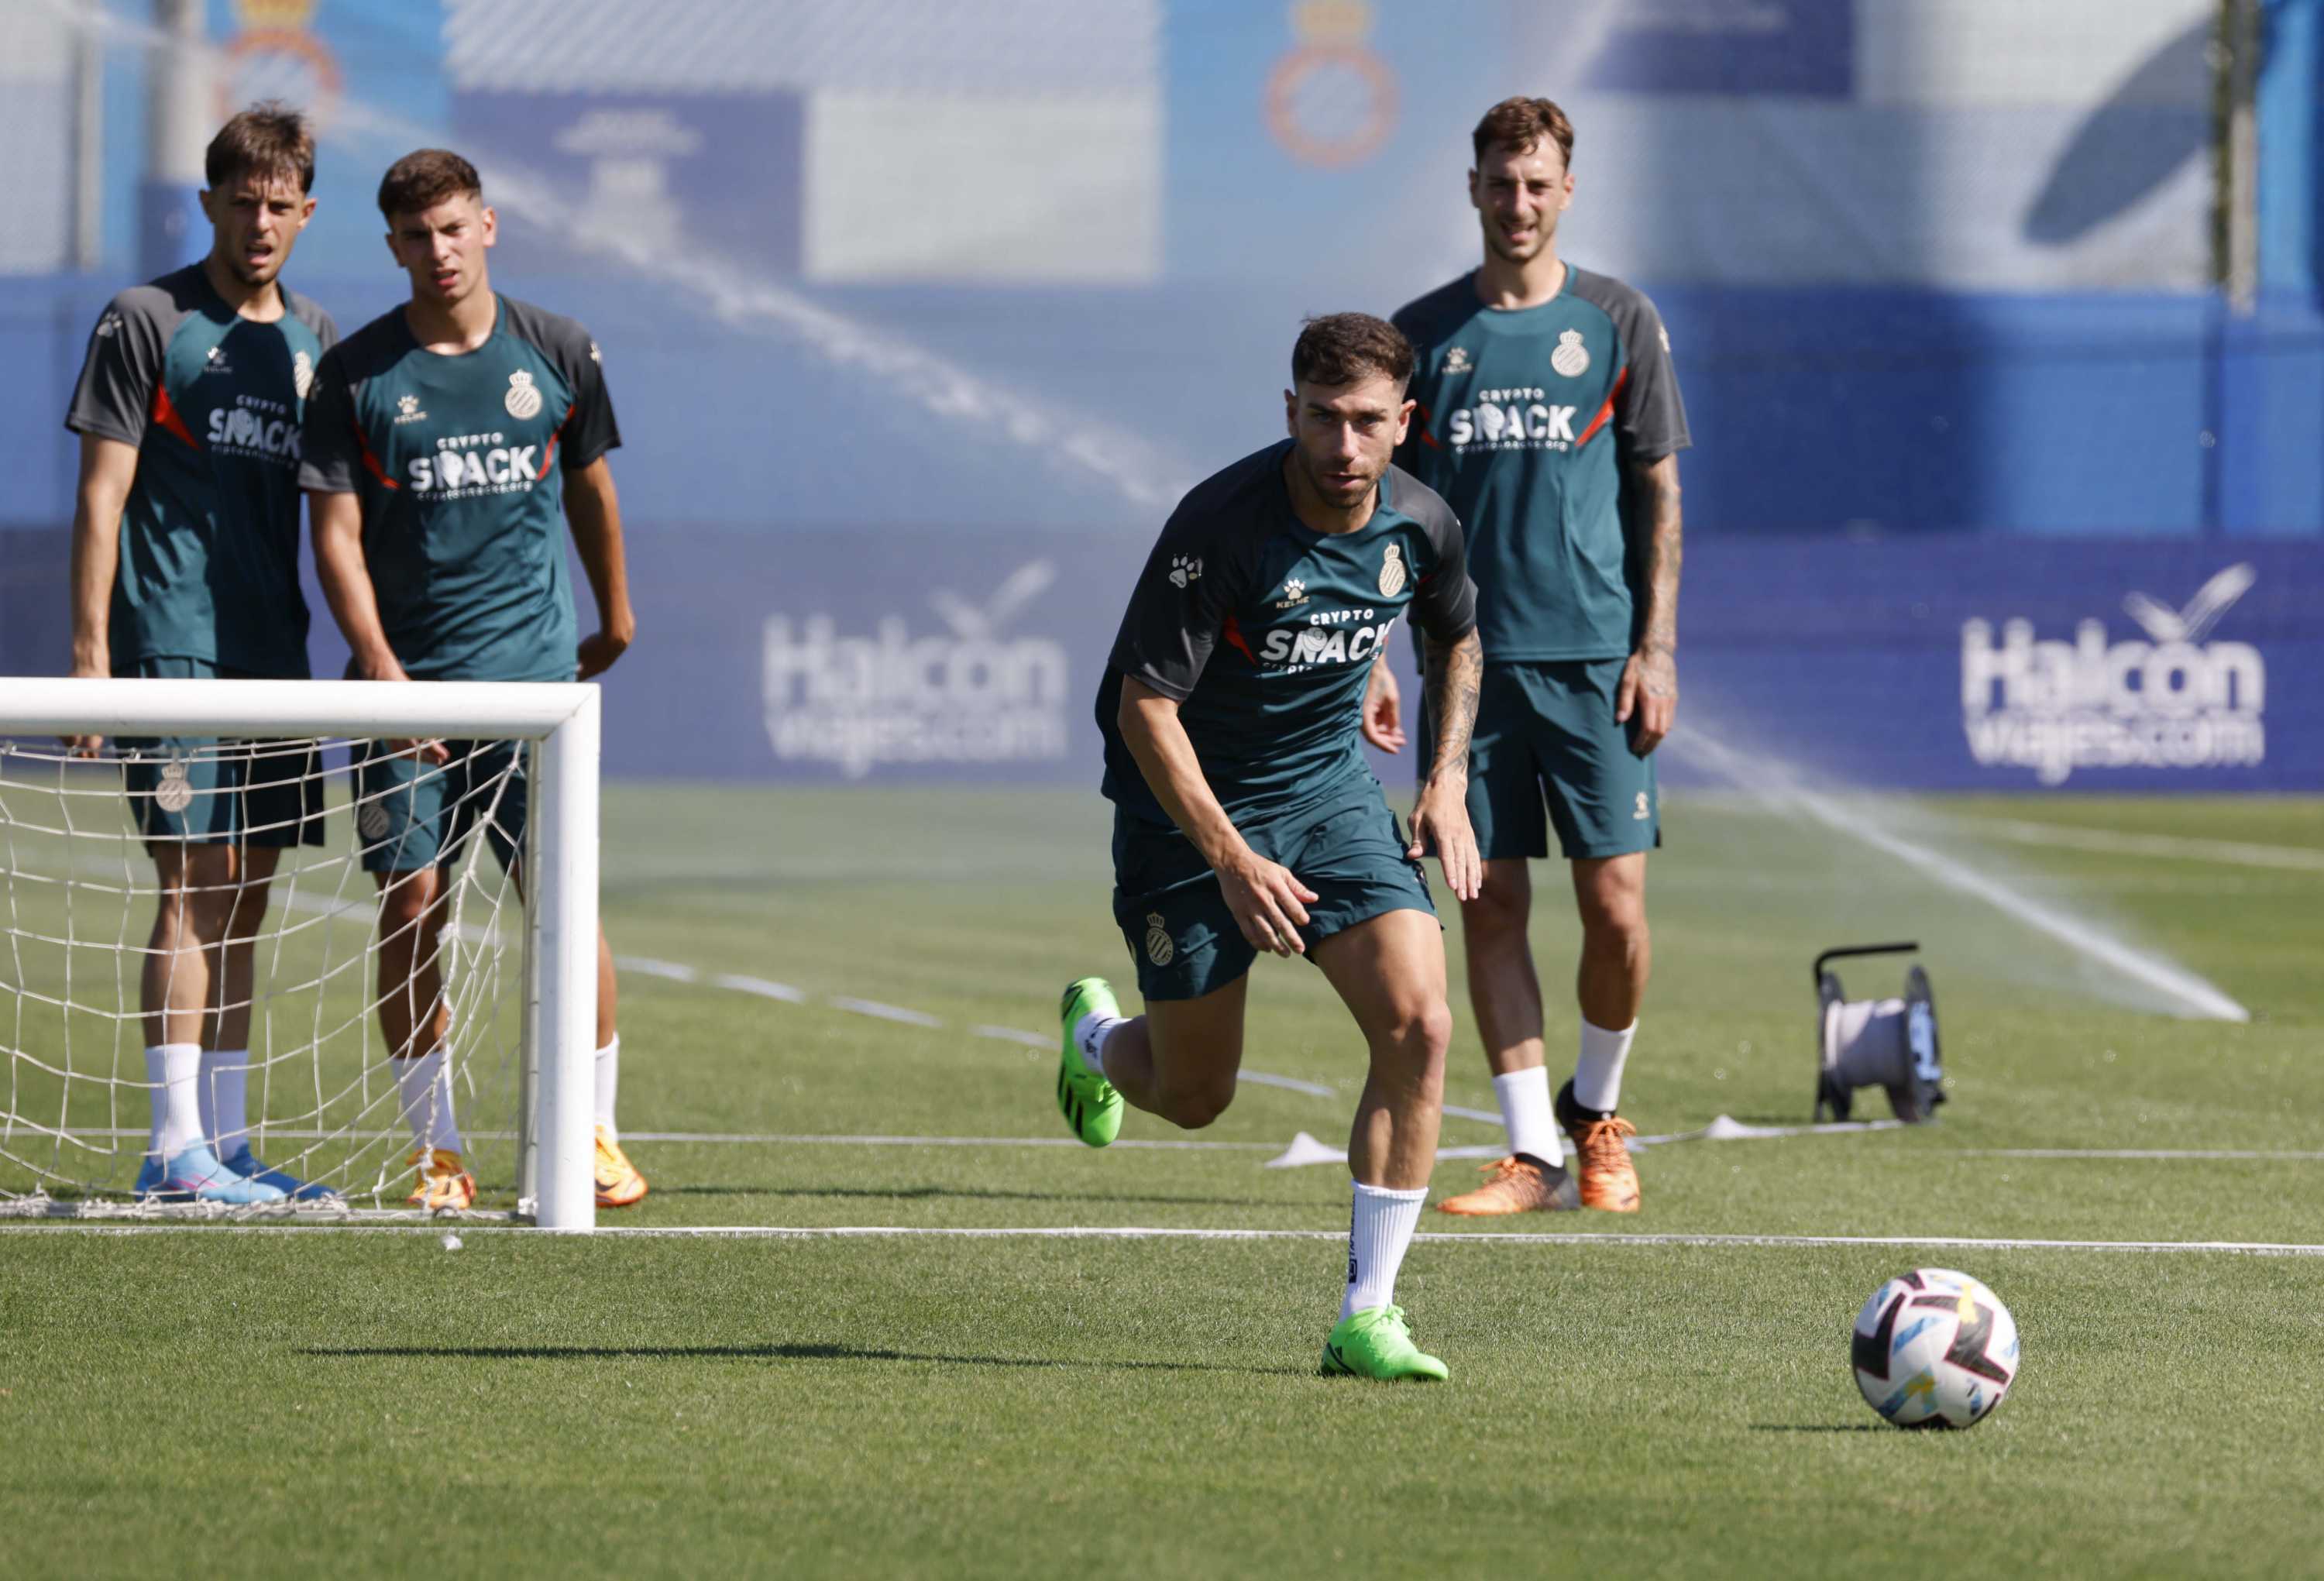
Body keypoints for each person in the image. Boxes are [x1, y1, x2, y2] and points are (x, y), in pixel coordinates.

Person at [1055, 313, 1484, 1380]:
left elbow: (1455, 635)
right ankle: (1096, 1041)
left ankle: (1367, 1316)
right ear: (1290, 411)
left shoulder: (1423, 522)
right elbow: (1144, 708)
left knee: (1421, 1024)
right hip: (1185, 813)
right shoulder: (1221, 526)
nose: (1344, 445)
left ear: (1405, 422)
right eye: (1324, 418)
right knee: (1196, 1095)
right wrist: (1232, 858)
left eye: (1368, 422)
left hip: (1329, 794)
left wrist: (1446, 776)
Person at [300, 149, 644, 1213]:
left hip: (537, 697)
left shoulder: (558, 350)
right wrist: (383, 670)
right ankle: (436, 1150)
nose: (439, 251)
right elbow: (336, 534)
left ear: (487, 226)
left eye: (454, 228)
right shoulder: (355, 376)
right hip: (408, 696)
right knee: (413, 905)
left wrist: (616, 614)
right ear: (393, 246)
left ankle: (595, 1133)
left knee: (565, 903)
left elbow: (591, 488)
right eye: (417, 235)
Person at [1381, 96, 1690, 1217]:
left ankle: (1595, 1112)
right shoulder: (1421, 335)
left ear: (1567, 191)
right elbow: (1383, 510)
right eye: (1502, 183)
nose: (1519, 203)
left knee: (1617, 910)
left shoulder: (1616, 319)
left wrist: (1656, 647)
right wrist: (1373, 654)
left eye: (1538, 184)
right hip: (1465, 667)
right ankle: (1532, 1156)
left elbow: (1657, 489)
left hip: (1596, 661)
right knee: (1491, 901)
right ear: (1473, 188)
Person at [64, 104, 336, 1205]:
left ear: (307, 212)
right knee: (193, 881)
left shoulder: (314, 338)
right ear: (209, 204)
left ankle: (225, 1141)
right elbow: (102, 496)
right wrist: (90, 657)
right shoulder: (146, 318)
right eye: (243, 202)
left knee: (251, 892)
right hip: (171, 643)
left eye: (281, 206)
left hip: (275, 651)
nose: (261, 223)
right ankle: (173, 1149)